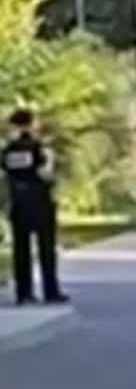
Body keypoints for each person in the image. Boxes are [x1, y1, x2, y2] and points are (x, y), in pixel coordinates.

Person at [3, 109, 68, 305]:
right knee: (46, 249)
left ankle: (24, 293)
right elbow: (45, 173)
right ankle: (51, 291)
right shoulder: (39, 148)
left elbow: (6, 175)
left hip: (18, 204)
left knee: (21, 250)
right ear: (32, 124)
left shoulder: (8, 151)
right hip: (40, 203)